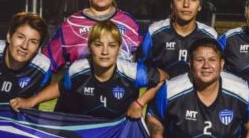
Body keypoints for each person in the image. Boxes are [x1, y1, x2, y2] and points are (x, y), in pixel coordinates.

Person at [10, 20, 164, 120]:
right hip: (87, 135)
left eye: (111, 46)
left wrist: (139, 103)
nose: (105, 51)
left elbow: (163, 77)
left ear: (118, 49)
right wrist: (31, 101)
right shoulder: (77, 70)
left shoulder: (133, 72)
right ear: (90, 47)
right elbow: (61, 87)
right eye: (98, 45)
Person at [146, 38, 249, 138]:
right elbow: (153, 118)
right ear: (190, 63)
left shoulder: (242, 90)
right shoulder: (170, 90)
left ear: (221, 64)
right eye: (199, 60)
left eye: (212, 60)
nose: (206, 66)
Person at [46, 0, 141, 73]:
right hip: (82, 84)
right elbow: (44, 67)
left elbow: (146, 67)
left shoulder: (130, 24)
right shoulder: (70, 26)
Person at [138, 0, 218, 79]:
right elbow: (141, 68)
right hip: (162, 89)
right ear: (172, 4)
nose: (186, 4)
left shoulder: (210, 35)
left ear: (200, 6)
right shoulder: (155, 32)